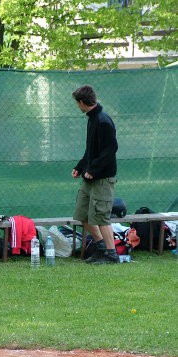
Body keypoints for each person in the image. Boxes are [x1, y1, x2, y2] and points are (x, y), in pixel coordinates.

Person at [71, 85, 119, 265]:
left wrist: (94, 170)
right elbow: (91, 150)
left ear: (82, 102)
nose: (78, 106)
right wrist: (80, 167)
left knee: (101, 217)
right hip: (90, 177)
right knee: (82, 215)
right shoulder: (92, 119)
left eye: (77, 103)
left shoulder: (103, 120)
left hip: (103, 179)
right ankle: (100, 248)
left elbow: (111, 149)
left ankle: (112, 255)